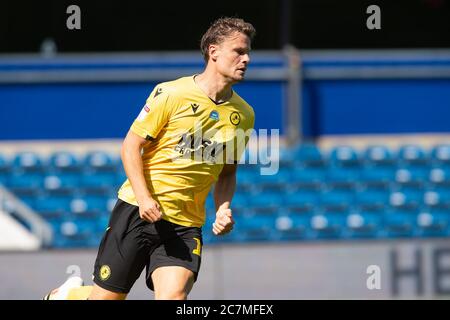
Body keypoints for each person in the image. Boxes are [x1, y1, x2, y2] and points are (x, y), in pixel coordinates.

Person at [44, 16, 256, 300]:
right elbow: (131, 146)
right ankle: (69, 295)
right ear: (213, 51)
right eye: (239, 51)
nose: (246, 58)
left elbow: (227, 172)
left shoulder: (243, 115)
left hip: (185, 225)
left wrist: (222, 208)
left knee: (173, 296)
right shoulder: (170, 93)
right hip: (137, 211)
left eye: (248, 52)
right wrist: (144, 198)